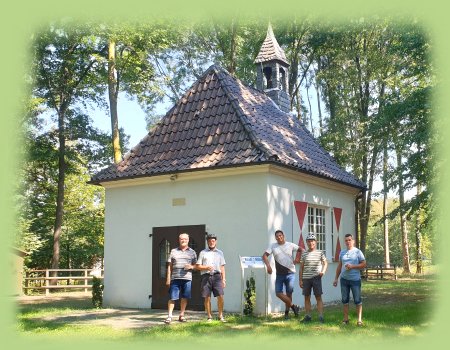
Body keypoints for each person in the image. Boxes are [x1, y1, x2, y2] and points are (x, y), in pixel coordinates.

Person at [263, 229, 302, 319]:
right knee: (278, 293)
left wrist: (297, 259)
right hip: (279, 274)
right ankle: (294, 307)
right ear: (275, 238)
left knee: (289, 294)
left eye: (280, 235)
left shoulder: (290, 245)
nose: (279, 237)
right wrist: (268, 266)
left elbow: (301, 249)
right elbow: (264, 256)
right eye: (277, 236)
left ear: (283, 236)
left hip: (290, 273)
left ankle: (287, 314)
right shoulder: (273, 246)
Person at [333, 233, 367, 326]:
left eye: (349, 240)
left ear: (353, 241)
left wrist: (352, 266)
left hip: (355, 280)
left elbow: (364, 264)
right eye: (346, 240)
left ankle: (359, 320)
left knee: (357, 300)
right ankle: (345, 319)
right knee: (345, 300)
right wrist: (336, 278)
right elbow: (339, 266)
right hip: (344, 280)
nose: (348, 242)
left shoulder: (358, 252)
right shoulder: (342, 252)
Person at [164, 233, 197, 324]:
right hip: (175, 278)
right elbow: (169, 266)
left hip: (187, 278)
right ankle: (169, 316)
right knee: (172, 297)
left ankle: (181, 315)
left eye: (185, 239)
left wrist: (191, 266)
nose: (183, 241)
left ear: (188, 240)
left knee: (184, 297)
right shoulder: (173, 251)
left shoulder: (192, 252)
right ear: (179, 240)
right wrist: (168, 278)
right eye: (182, 239)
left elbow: (196, 266)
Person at [196, 233, 227, 322]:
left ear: (215, 242)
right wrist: (206, 267)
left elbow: (222, 267)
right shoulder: (203, 252)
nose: (211, 242)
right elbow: (198, 266)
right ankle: (209, 316)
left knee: (220, 296)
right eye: (209, 241)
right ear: (207, 242)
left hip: (217, 276)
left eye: (213, 241)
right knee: (207, 297)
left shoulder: (220, 253)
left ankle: (221, 316)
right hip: (206, 277)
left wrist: (224, 279)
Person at [299, 233, 328, 323]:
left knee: (318, 297)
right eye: (309, 241)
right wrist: (300, 280)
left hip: (316, 278)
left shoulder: (320, 253)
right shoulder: (304, 254)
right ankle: (308, 316)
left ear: (315, 242)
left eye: (312, 241)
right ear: (307, 243)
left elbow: (325, 263)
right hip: (306, 279)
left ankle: (321, 317)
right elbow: (301, 268)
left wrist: (323, 271)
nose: (311, 243)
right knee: (306, 297)